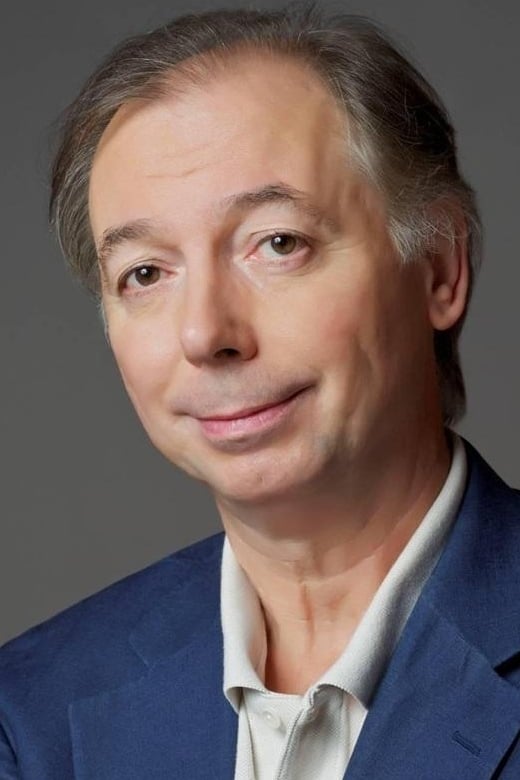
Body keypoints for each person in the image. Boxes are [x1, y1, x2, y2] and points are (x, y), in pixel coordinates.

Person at [1, 3, 520, 778]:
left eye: (278, 243)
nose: (205, 332)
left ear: (440, 267)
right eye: (145, 273)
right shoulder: (30, 716)